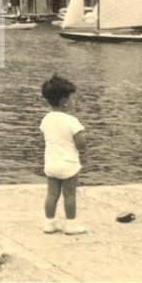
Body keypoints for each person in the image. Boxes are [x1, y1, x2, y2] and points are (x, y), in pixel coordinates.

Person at [39, 74, 88, 235]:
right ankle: (71, 225)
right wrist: (84, 146)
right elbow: (81, 143)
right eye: (73, 98)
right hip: (68, 164)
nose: (75, 101)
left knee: (52, 194)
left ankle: (49, 223)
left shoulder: (46, 119)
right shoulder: (72, 121)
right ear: (65, 101)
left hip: (51, 163)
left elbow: (45, 138)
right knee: (69, 195)